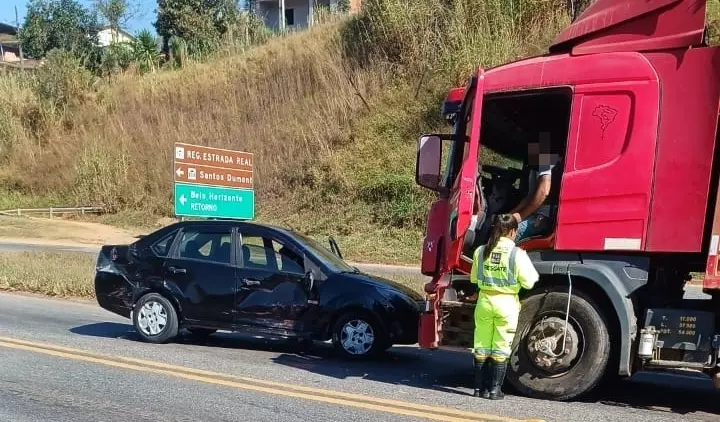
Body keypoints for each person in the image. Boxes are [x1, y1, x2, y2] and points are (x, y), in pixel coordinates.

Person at [469, 214, 539, 399]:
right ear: (513, 231)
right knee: (500, 347)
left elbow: (474, 279)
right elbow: (530, 282)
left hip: (484, 302)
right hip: (506, 304)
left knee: (481, 344)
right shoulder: (517, 254)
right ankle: (494, 390)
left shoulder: (480, 251)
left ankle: (478, 389)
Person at [509, 137, 562, 243]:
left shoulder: (546, 161)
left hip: (543, 217)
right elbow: (530, 196)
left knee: (509, 234)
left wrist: (520, 216)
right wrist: (511, 214)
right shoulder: (535, 167)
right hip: (534, 212)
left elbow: (544, 192)